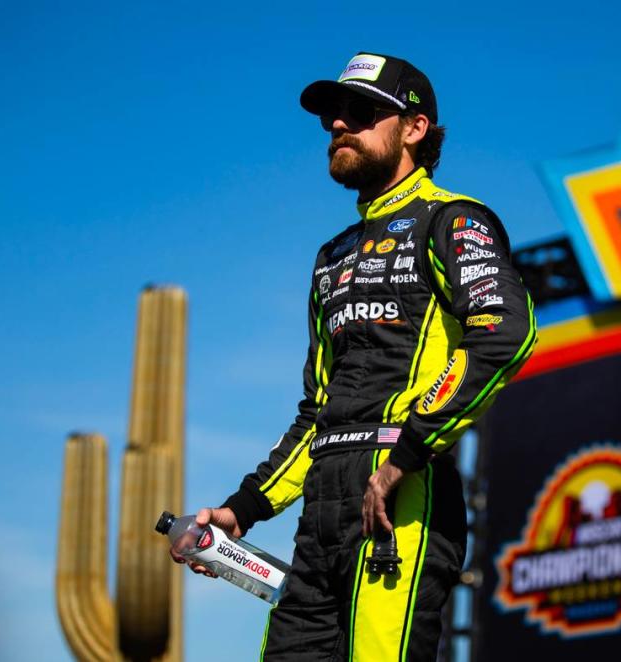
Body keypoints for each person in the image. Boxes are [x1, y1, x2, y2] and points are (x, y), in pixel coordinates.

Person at [172, 51, 537, 660]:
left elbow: (503, 334)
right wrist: (242, 511)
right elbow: (317, 411)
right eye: (332, 116)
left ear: (414, 129)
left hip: (403, 496)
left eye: (361, 112)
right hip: (320, 508)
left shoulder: (452, 220)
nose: (340, 125)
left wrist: (407, 452)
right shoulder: (332, 255)